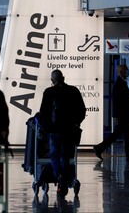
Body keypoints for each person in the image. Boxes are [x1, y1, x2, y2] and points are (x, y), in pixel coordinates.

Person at [39, 69, 86, 198]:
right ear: (63, 78)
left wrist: (45, 127)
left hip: (54, 131)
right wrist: (77, 123)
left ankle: (59, 176)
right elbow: (82, 109)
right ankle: (64, 181)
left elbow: (43, 112)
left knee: (54, 154)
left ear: (52, 80)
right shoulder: (73, 91)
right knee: (65, 155)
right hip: (69, 129)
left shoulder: (48, 92)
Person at [94, 64, 129, 162]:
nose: (127, 72)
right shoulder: (119, 84)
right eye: (126, 70)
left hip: (124, 114)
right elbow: (116, 101)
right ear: (122, 72)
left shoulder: (122, 83)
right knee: (126, 134)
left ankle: (100, 148)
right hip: (123, 115)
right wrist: (116, 115)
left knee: (120, 134)